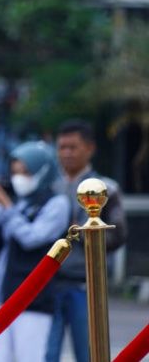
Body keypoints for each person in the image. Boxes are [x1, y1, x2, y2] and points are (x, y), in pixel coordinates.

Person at [0, 141, 70, 362]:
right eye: (14, 172)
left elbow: (32, 238)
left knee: (29, 357)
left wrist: (7, 207)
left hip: (32, 298)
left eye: (25, 172)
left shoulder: (56, 203)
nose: (19, 178)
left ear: (43, 171)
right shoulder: (14, 202)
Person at [45, 119, 128, 362]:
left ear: (90, 148)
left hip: (86, 284)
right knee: (46, 354)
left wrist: (81, 233)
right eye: (62, 147)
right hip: (47, 282)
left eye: (73, 147)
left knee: (90, 353)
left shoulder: (107, 188)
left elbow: (118, 235)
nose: (67, 153)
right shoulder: (49, 187)